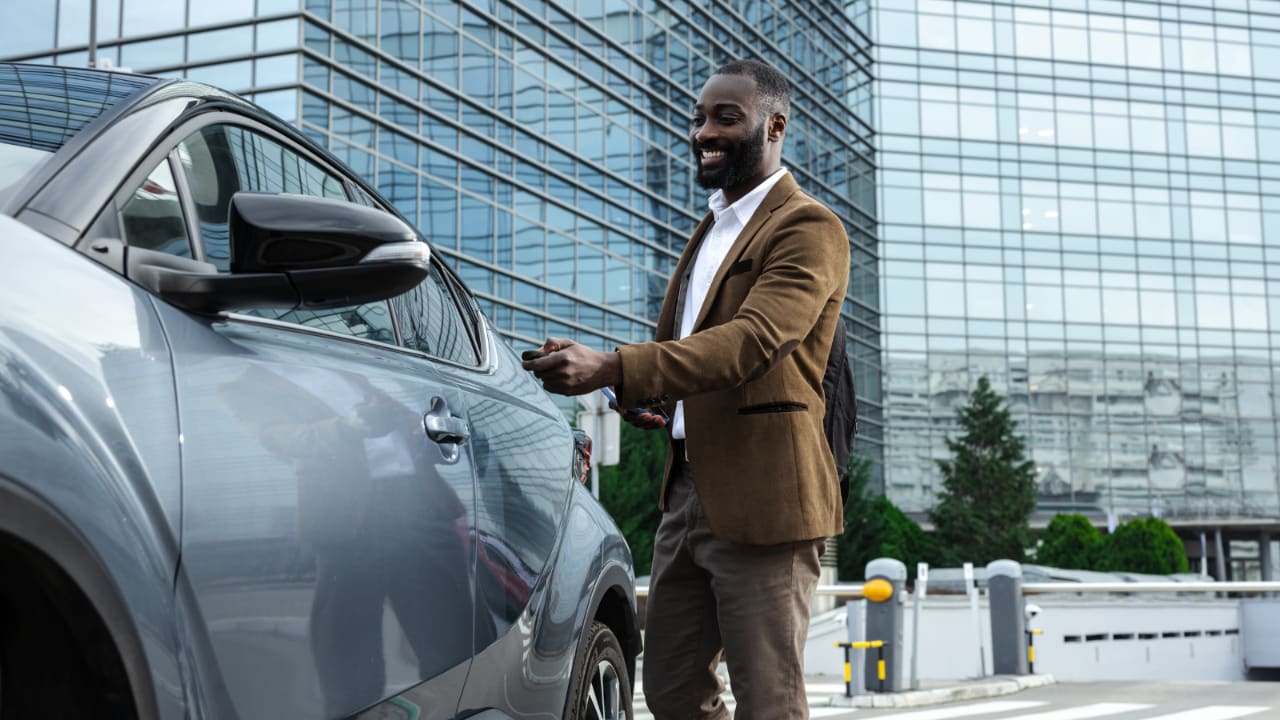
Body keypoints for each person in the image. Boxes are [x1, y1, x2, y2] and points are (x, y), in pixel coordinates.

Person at [522, 59, 849, 719]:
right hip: (687, 495)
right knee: (671, 689)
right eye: (699, 118)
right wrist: (651, 399)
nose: (704, 131)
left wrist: (616, 365)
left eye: (725, 117)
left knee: (769, 698)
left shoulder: (807, 227)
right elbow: (694, 355)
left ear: (775, 125)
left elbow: (755, 341)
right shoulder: (710, 231)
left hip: (764, 500)